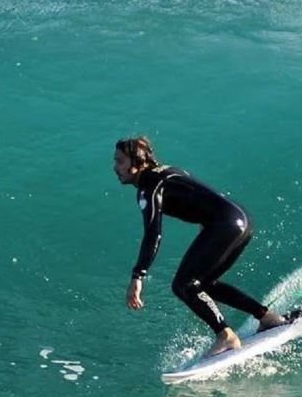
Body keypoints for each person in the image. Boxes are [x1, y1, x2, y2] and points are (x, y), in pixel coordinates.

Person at [114, 136, 287, 358]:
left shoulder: (148, 187)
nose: (115, 167)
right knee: (203, 283)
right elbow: (200, 195)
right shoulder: (167, 171)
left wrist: (138, 276)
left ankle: (226, 336)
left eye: (120, 161)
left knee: (183, 285)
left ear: (136, 163)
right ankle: (267, 317)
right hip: (239, 219)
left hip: (224, 225)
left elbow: (153, 233)